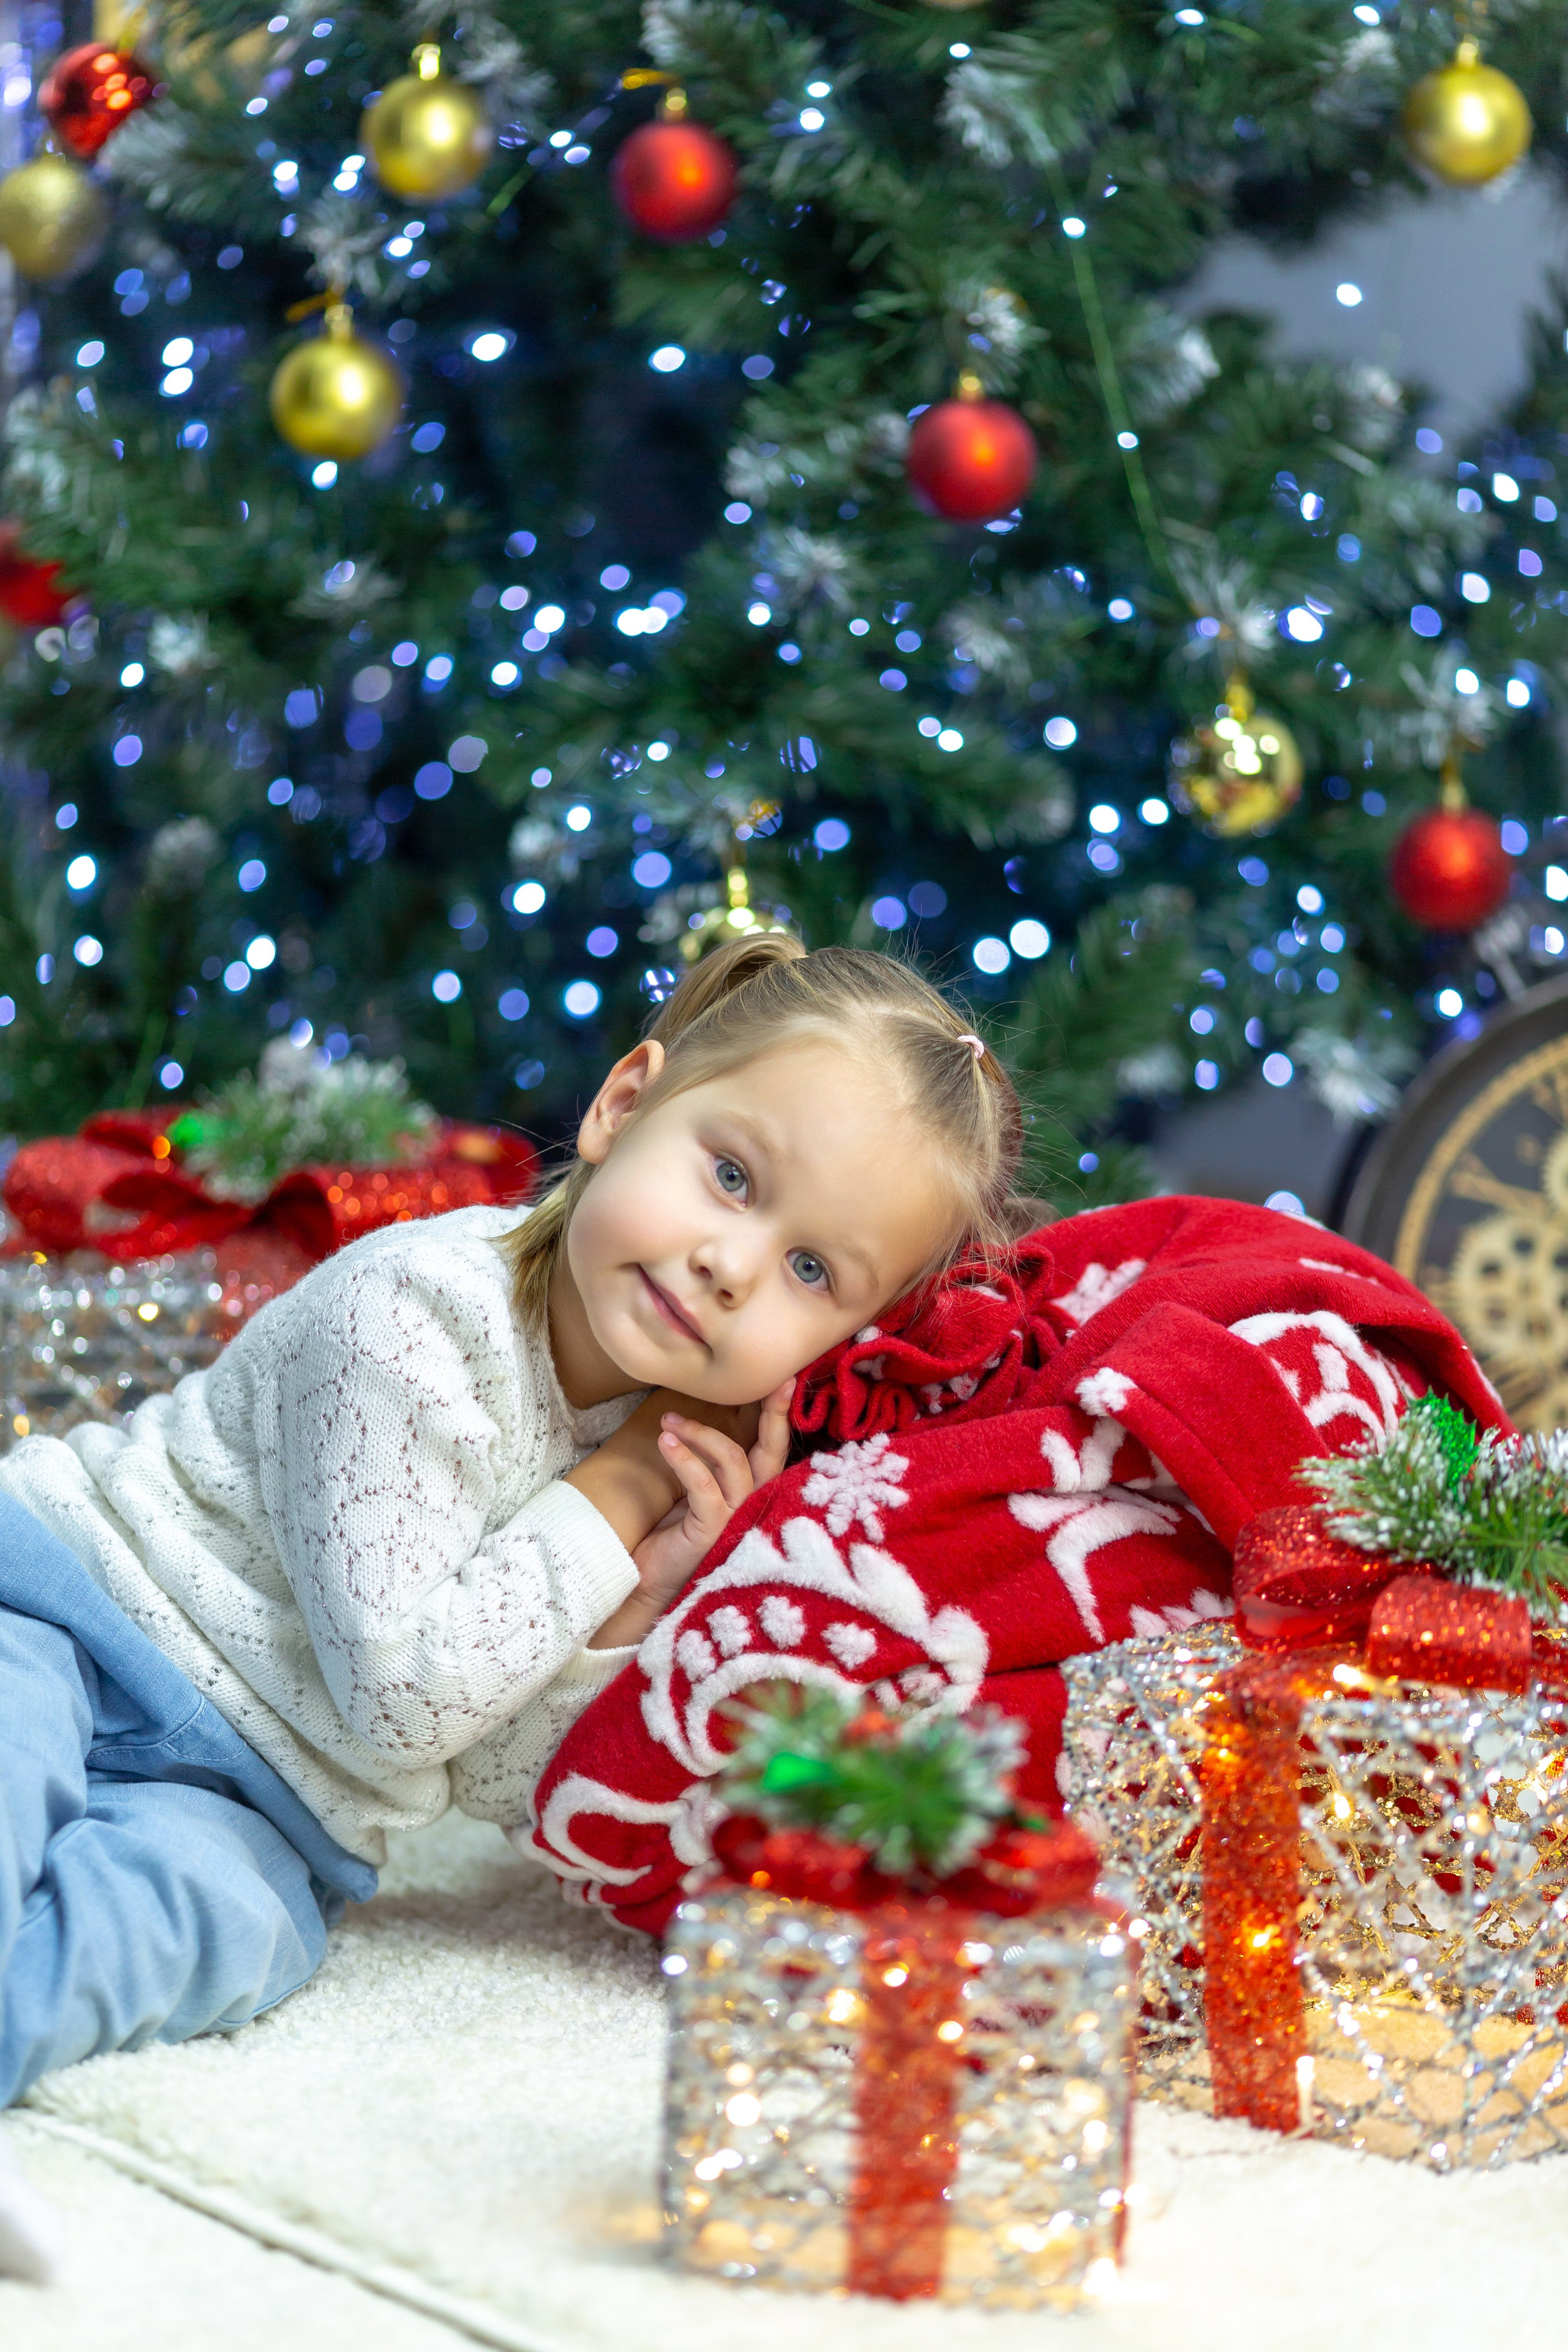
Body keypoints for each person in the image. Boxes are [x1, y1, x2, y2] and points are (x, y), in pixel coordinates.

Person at [0, 936, 1022, 2154]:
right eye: (731, 1176)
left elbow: (487, 1778)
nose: (730, 1264)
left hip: (273, 1800)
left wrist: (637, 1600)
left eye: (810, 1268)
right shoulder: (413, 1312)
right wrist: (616, 1488)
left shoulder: (668, 1459)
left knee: (201, 1931)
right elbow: (401, 1699)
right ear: (623, 1106)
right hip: (70, 1607)